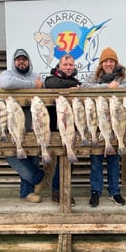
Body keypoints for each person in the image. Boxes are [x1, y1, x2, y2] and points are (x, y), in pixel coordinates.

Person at [82, 47, 126, 207]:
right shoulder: (95, 77)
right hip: (97, 124)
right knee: (96, 160)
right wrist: (106, 87)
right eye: (106, 61)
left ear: (115, 63)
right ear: (101, 64)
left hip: (117, 124)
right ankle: (95, 191)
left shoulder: (123, 77)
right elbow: (85, 86)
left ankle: (114, 192)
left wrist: (117, 87)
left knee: (114, 160)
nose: (108, 64)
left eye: (111, 61)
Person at [0, 48, 45, 203]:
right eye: (18, 59)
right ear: (14, 62)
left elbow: (44, 88)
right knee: (13, 157)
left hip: (32, 127)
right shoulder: (8, 74)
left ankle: (27, 193)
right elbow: (6, 84)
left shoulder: (36, 75)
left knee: (32, 159)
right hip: (12, 127)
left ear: (28, 61)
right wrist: (32, 85)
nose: (21, 62)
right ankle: (38, 178)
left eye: (24, 59)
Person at [44, 54, 81, 205]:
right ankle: (56, 190)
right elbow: (52, 84)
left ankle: (63, 191)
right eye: (65, 64)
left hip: (70, 127)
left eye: (71, 65)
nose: (68, 67)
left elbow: (78, 87)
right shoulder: (50, 79)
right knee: (59, 159)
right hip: (53, 128)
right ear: (59, 66)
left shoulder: (76, 82)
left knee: (68, 160)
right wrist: (70, 88)